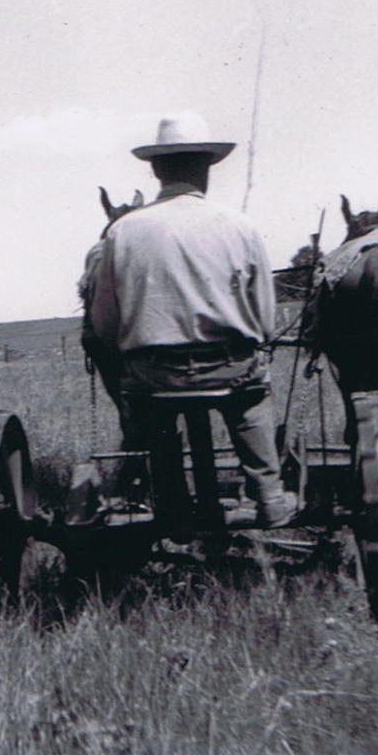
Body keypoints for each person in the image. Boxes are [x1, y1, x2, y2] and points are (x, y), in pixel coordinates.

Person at [86, 112, 300, 531]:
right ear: (207, 169)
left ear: (154, 169)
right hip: (231, 367)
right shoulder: (240, 225)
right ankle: (270, 498)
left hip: (153, 373)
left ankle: (172, 503)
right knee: (251, 406)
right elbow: (265, 317)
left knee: (158, 420)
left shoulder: (122, 231)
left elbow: (105, 320)